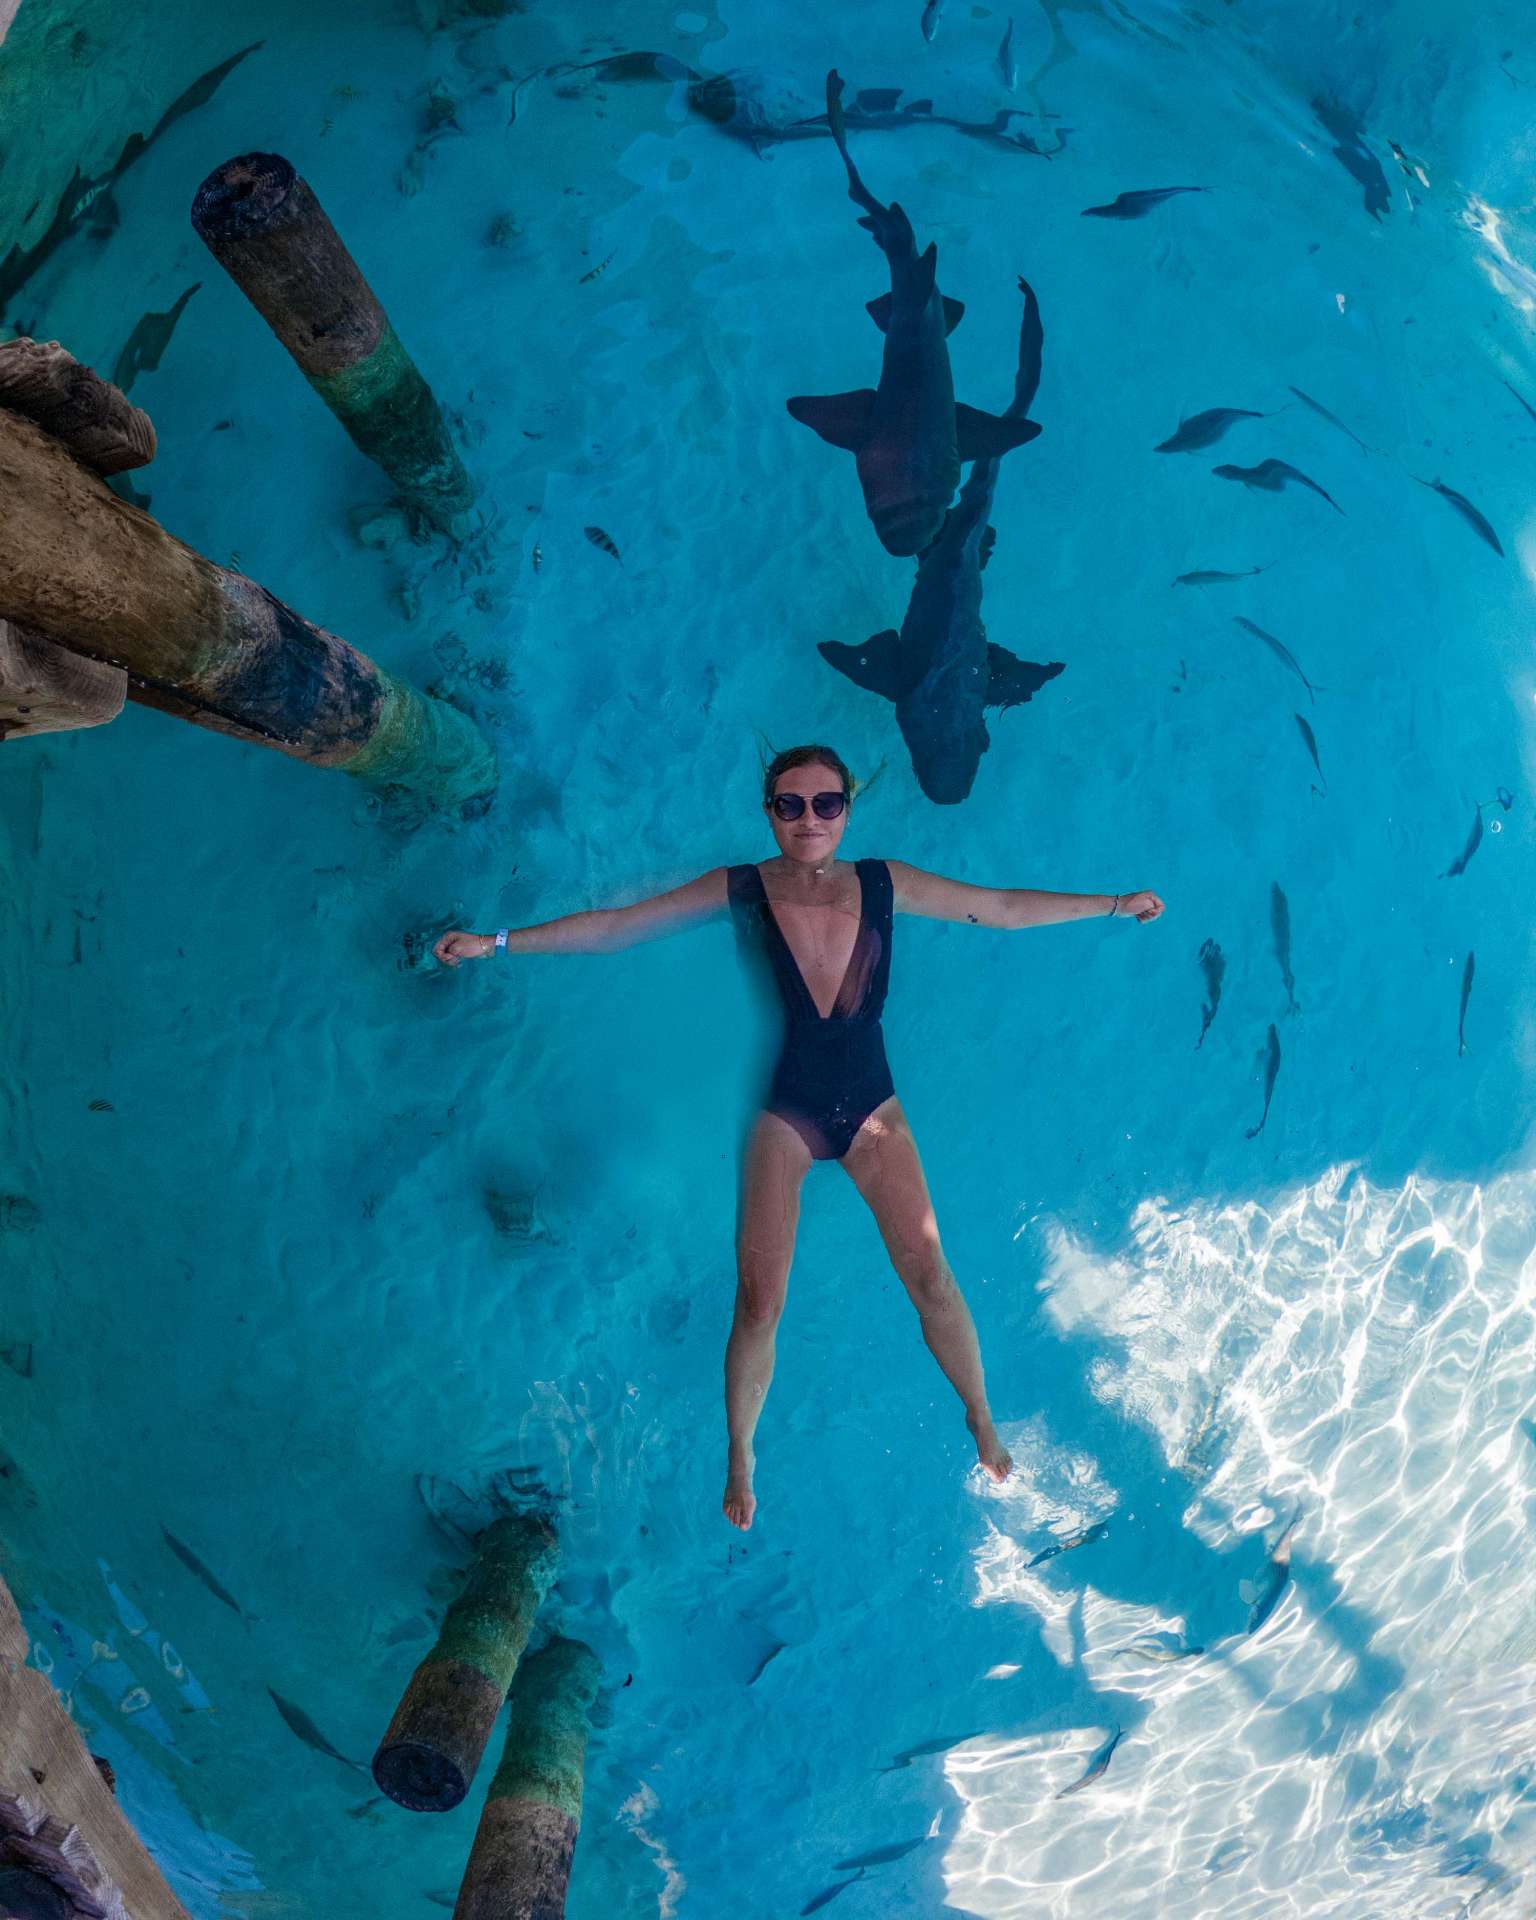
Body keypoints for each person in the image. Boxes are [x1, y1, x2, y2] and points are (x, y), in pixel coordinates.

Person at [434, 745, 1165, 1529]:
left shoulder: (885, 882)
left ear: (848, 808)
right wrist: (496, 943)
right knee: (758, 1300)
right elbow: (616, 926)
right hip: (785, 1116)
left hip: (873, 1111)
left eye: (826, 804)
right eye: (790, 804)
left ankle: (981, 1415)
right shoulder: (740, 887)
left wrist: (1115, 902)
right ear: (768, 811)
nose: (809, 820)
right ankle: (742, 1451)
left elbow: (1004, 907)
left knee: (929, 1272)